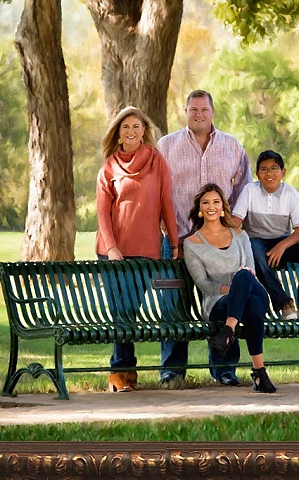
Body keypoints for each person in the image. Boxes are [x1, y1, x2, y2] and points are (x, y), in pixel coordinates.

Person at [158, 89, 253, 386]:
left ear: (213, 112)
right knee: (174, 305)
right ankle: (172, 370)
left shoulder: (231, 146)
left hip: (219, 241)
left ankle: (224, 369)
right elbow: (157, 192)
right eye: (193, 109)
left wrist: (234, 222)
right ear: (185, 112)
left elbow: (244, 188)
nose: (198, 114)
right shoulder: (166, 145)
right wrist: (169, 232)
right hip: (177, 239)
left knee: (223, 299)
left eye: (204, 109)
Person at [95, 106, 180, 393]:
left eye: (136, 126)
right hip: (112, 251)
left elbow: (167, 203)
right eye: (125, 127)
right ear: (117, 133)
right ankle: (123, 372)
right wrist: (112, 247)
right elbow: (102, 213)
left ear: (144, 130)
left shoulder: (157, 161)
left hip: (147, 248)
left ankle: (121, 372)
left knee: (128, 310)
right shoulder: (108, 167)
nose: (131, 131)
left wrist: (175, 240)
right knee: (121, 312)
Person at [183, 183, 277, 393]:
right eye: (206, 202)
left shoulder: (240, 235)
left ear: (223, 207)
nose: (211, 206)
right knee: (251, 305)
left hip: (253, 290)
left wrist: (238, 287)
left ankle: (227, 331)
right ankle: (259, 372)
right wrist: (233, 291)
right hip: (218, 303)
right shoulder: (191, 244)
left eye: (216, 202)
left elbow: (251, 271)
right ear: (199, 208)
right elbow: (204, 285)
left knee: (244, 275)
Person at [231, 150, 299, 321]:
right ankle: (284, 304)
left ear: (283, 172)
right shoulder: (249, 190)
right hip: (257, 243)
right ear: (257, 174)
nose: (269, 173)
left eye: (274, 168)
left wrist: (281, 246)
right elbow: (235, 221)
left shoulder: (290, 194)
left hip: (282, 243)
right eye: (264, 169)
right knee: (253, 247)